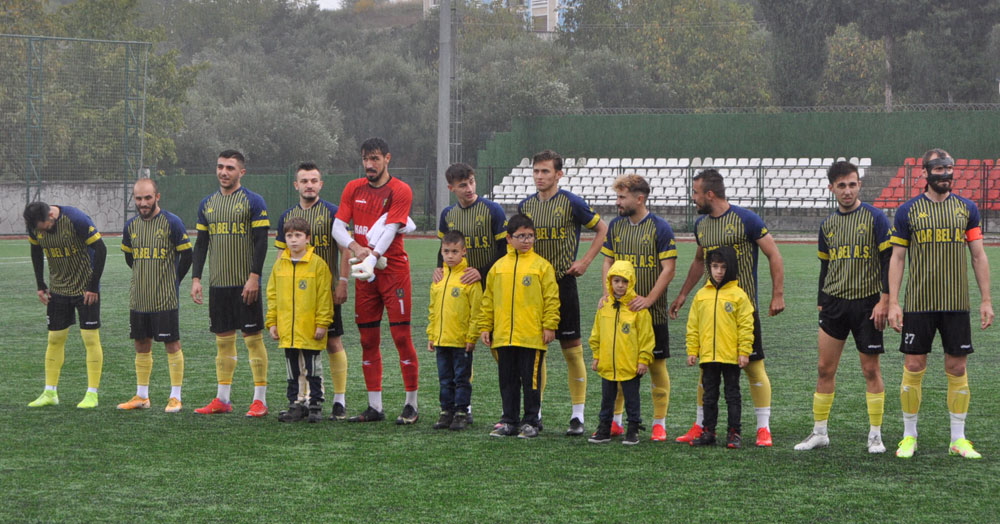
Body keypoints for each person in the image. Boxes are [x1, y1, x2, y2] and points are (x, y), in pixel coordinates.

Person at [888, 148, 993, 459]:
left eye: (949, 168)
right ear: (925, 173)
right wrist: (893, 302)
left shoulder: (967, 209)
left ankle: (958, 439)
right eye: (938, 169)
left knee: (957, 367)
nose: (945, 174)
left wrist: (986, 299)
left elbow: (978, 255)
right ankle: (909, 437)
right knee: (913, 365)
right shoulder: (907, 211)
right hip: (918, 304)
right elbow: (897, 258)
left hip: (956, 304)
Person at [669, 168, 784, 447]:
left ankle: (762, 428)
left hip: (743, 310)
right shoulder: (701, 226)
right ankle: (701, 425)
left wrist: (777, 294)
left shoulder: (746, 219)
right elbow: (699, 261)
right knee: (706, 370)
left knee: (754, 368)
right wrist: (684, 293)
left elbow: (773, 253)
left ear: (709, 194)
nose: (693, 198)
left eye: (695, 193)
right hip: (712, 310)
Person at [795, 161, 891, 453]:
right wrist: (821, 301)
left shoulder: (876, 218)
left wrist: (885, 300)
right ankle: (820, 432)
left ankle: (875, 434)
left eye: (852, 184)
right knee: (824, 369)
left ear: (859, 185)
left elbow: (889, 262)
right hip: (834, 303)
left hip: (867, 305)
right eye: (841, 185)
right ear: (831, 188)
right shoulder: (828, 224)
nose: (847, 190)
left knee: (870, 370)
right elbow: (825, 266)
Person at [518, 149, 608, 436]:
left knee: (572, 351)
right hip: (534, 289)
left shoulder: (571, 203)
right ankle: (536, 412)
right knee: (536, 354)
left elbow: (603, 229)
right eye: (536, 171)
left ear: (559, 174)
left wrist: (585, 261)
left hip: (563, 283)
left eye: (545, 171)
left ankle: (578, 416)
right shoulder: (526, 207)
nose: (540, 176)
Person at [331, 137, 420, 424]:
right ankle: (375, 406)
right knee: (368, 339)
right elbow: (337, 227)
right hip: (364, 273)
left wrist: (373, 256)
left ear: (387, 159)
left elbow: (392, 228)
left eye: (375, 159)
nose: (369, 165)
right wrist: (358, 251)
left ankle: (411, 404)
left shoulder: (400, 190)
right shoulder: (352, 188)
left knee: (401, 337)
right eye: (366, 159)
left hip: (392, 271)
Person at [190, 149, 271, 417]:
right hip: (218, 285)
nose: (224, 172)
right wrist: (197, 278)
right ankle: (222, 399)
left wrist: (254, 277)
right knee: (223, 343)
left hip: (245, 284)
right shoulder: (207, 204)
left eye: (230, 168)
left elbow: (261, 241)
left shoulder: (253, 201)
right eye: (220, 166)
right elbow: (201, 244)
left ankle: (260, 400)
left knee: (252, 341)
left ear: (241, 172)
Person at [600, 174, 677, 442]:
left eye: (622, 197)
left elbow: (669, 269)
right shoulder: (616, 226)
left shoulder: (660, 227)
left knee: (656, 367)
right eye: (617, 197)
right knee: (618, 366)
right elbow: (607, 263)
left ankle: (659, 422)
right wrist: (607, 294)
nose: (618, 202)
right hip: (620, 314)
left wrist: (649, 300)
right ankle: (616, 422)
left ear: (639, 198)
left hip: (651, 315)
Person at [275, 162, 351, 420]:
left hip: (324, 294)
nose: (309, 185)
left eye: (314, 180)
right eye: (304, 181)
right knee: (298, 349)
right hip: (295, 300)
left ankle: (339, 400)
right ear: (296, 185)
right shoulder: (287, 216)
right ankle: (303, 401)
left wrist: (342, 282)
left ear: (321, 184)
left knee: (332, 342)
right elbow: (279, 256)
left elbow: (345, 250)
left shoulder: (333, 213)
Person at [433, 162, 507, 424]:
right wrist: (439, 269)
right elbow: (443, 248)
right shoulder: (448, 214)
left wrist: (483, 271)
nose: (469, 188)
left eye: (472, 182)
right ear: (451, 187)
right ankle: (463, 408)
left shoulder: (492, 210)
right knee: (462, 350)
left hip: (491, 287)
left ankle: (511, 408)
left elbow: (503, 251)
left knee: (499, 348)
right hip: (460, 291)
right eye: (463, 185)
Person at [479, 214, 560, 439]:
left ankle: (531, 421)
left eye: (530, 236)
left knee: (531, 381)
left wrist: (549, 325)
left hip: (531, 336)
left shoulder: (542, 266)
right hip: (504, 336)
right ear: (508, 238)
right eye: (521, 236)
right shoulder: (498, 268)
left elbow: (552, 299)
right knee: (508, 381)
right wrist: (485, 326)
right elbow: (488, 300)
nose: (526, 240)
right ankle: (509, 421)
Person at [117, 179, 192, 413]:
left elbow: (187, 256)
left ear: (157, 197)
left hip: (165, 298)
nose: (143, 203)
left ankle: (175, 396)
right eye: (138, 198)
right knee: (141, 344)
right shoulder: (130, 226)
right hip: (139, 297)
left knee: (171, 343)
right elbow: (130, 259)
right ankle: (142, 395)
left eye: (148, 198)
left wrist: (174, 281)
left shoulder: (172, 222)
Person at [23, 201, 106, 408]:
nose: (42, 231)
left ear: (51, 216)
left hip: (85, 289)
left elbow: (101, 249)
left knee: (90, 338)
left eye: (45, 227)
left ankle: (92, 394)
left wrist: (93, 286)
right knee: (55, 339)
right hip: (58, 289)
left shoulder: (76, 219)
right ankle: (50, 392)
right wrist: (40, 284)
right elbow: (35, 251)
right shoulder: (35, 227)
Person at [266, 217, 333, 423]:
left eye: (298, 236)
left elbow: (324, 296)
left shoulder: (318, 265)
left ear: (307, 239)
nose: (293, 240)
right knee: (292, 369)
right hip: (288, 330)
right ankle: (296, 404)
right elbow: (273, 295)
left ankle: (315, 404)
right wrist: (272, 322)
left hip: (310, 329)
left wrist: (322, 323)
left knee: (313, 368)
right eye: (289, 236)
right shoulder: (280, 266)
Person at [685, 247, 753, 448]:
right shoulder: (701, 295)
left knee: (732, 395)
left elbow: (746, 326)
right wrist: (692, 350)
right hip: (708, 356)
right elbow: (693, 325)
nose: (719, 271)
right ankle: (708, 432)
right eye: (715, 266)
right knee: (709, 396)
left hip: (731, 357)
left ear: (730, 268)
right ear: (709, 268)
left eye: (723, 267)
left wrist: (744, 351)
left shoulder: (739, 295)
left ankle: (734, 433)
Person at [587, 260, 653, 446]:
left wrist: (643, 360)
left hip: (630, 364)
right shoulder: (604, 306)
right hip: (607, 363)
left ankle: (633, 429)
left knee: (632, 399)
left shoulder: (638, 309)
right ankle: (604, 429)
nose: (620, 285)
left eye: (624, 281)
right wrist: (596, 356)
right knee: (606, 399)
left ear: (631, 282)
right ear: (610, 282)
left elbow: (646, 337)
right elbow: (596, 333)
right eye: (616, 281)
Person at [427, 231, 483, 431]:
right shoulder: (438, 279)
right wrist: (432, 335)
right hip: (442, 340)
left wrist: (472, 336)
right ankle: (446, 411)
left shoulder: (469, 279)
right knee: (445, 378)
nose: (450, 255)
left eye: (454, 251)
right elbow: (433, 309)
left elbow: (477, 311)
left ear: (463, 252)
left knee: (461, 378)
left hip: (461, 341)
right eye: (446, 251)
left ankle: (461, 411)